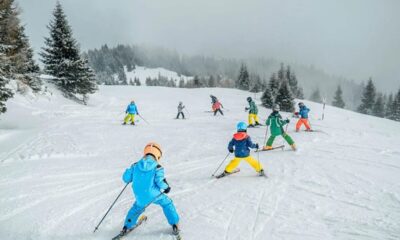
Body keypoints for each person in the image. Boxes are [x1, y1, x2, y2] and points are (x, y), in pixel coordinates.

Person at [120, 143, 180, 235]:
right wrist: (167, 187)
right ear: (158, 155)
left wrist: (131, 169)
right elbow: (160, 182)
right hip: (154, 194)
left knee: (137, 207)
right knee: (167, 203)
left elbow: (126, 179)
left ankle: (126, 226)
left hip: (139, 194)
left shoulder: (136, 165)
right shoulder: (157, 167)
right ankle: (175, 223)